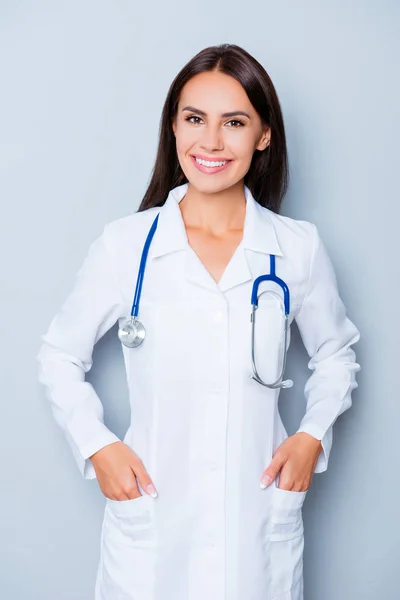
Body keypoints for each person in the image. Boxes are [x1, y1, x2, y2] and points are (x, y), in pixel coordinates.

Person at [37, 43, 360, 600]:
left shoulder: (295, 248)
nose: (210, 142)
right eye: (194, 119)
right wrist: (98, 445)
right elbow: (58, 356)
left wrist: (311, 437)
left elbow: (336, 356)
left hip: (256, 522)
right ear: (173, 128)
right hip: (154, 520)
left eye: (234, 122)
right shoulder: (126, 245)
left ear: (264, 136)